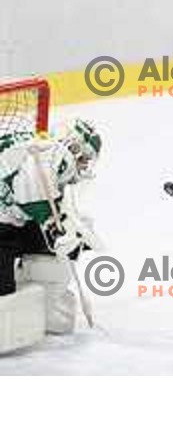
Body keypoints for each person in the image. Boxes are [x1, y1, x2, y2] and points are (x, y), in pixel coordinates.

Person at [0, 119, 102, 353]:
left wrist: (70, 233)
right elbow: (35, 203)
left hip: (9, 223)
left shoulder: (45, 151)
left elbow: (46, 210)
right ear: (74, 146)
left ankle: (45, 310)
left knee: (57, 253)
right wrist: (63, 234)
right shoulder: (51, 158)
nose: (84, 165)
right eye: (84, 158)